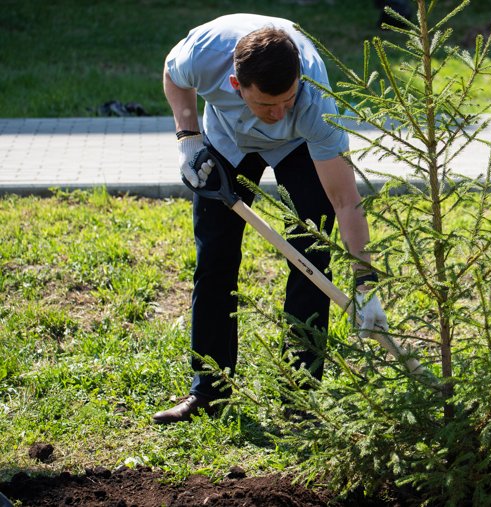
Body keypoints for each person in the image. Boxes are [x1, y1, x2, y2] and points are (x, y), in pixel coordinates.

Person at [152, 13, 388, 424]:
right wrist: (188, 138)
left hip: (300, 148)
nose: (278, 113)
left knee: (312, 257)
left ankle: (300, 398)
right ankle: (209, 390)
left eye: (286, 101)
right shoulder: (205, 54)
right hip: (225, 141)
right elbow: (174, 76)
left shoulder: (314, 102)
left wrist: (366, 280)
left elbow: (346, 200)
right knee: (215, 261)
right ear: (235, 85)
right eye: (266, 104)